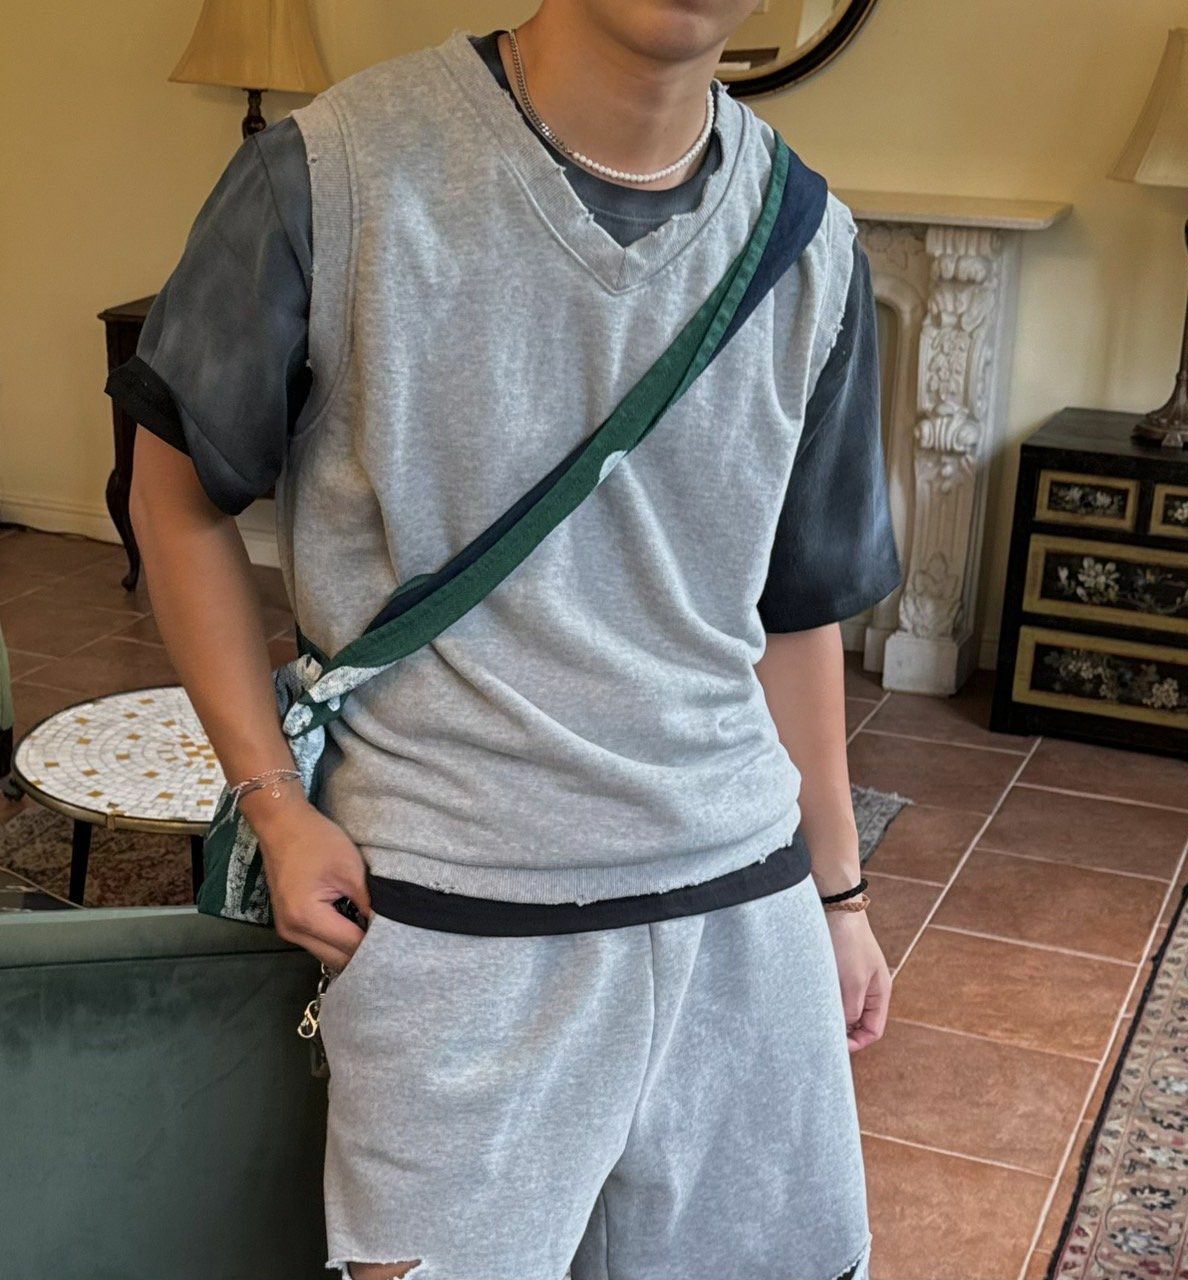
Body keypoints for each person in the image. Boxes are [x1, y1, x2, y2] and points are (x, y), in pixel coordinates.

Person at [110, 4, 901, 1277]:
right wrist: (272, 800)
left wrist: (838, 895)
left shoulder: (807, 239)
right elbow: (174, 495)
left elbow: (794, 610)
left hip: (740, 910)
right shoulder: (328, 175)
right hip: (453, 913)